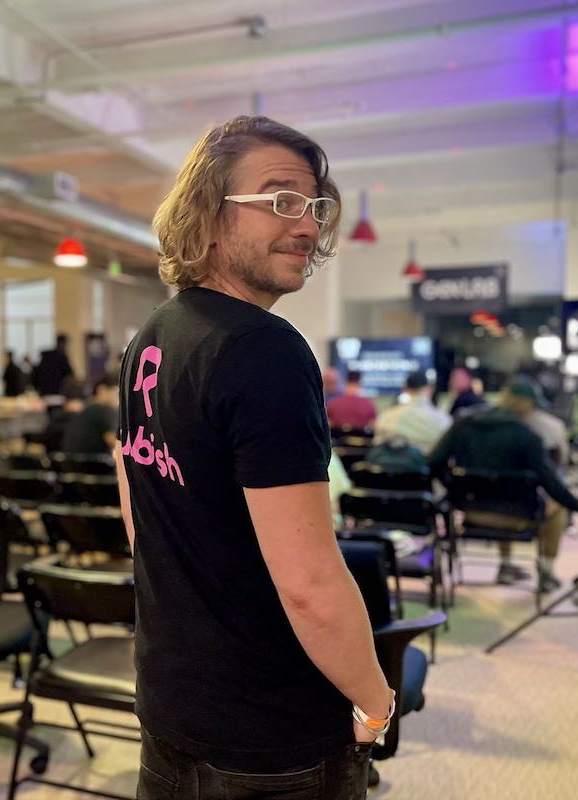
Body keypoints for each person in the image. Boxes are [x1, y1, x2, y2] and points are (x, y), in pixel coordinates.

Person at [116, 115, 393, 799]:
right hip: (268, 741)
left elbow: (139, 521)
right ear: (208, 215)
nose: (307, 225)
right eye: (278, 201)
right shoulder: (263, 350)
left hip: (171, 701)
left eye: (313, 206)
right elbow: (308, 581)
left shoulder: (152, 336)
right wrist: (375, 702)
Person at [427, 376, 578, 592]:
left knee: (497, 493)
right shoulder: (526, 437)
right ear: (525, 403)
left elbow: (434, 462)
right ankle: (546, 572)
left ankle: (506, 565)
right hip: (516, 516)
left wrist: (453, 489)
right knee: (556, 508)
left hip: (470, 512)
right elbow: (553, 486)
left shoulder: (462, 424)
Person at [372, 372, 452, 455]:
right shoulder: (443, 420)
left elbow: (377, 444)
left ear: (405, 389)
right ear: (430, 389)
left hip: (391, 465)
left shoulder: (386, 417)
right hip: (428, 465)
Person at [61, 377, 118, 456]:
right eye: (117, 394)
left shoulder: (85, 411)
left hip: (72, 465)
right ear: (102, 390)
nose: (119, 399)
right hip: (95, 465)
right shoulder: (103, 411)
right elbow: (117, 444)